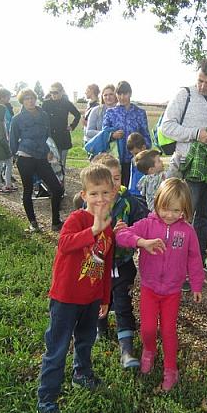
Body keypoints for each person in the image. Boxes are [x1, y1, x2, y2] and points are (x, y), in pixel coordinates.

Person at [36, 164, 115, 413]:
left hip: (90, 298)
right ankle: (47, 398)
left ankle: (81, 373)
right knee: (57, 349)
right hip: (66, 297)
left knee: (85, 340)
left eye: (105, 193)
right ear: (83, 195)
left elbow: (104, 263)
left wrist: (105, 297)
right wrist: (93, 229)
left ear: (113, 193)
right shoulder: (77, 220)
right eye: (94, 194)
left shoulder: (109, 227)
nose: (100, 199)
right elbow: (65, 244)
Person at [115, 178, 204, 391]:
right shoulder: (148, 224)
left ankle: (170, 369)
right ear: (156, 203)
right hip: (149, 288)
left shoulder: (188, 231)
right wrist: (142, 242)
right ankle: (149, 351)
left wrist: (196, 285)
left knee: (168, 331)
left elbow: (194, 259)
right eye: (165, 208)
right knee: (147, 329)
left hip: (172, 291)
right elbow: (122, 236)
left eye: (176, 210)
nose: (170, 215)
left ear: (185, 209)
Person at [160, 58, 207, 268]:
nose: (203, 86)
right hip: (189, 166)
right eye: (200, 80)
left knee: (206, 216)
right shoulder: (185, 95)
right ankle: (179, 261)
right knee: (185, 216)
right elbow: (167, 127)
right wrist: (195, 134)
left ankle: (198, 259)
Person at [91, 153, 148, 368]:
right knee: (97, 299)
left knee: (123, 304)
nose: (114, 183)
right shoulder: (92, 204)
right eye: (108, 178)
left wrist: (133, 234)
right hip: (98, 264)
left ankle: (127, 349)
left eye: (117, 177)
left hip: (122, 264)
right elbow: (85, 234)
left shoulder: (128, 202)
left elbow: (144, 222)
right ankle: (99, 329)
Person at [9, 88, 64, 232]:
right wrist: (16, 157)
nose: (30, 101)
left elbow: (47, 135)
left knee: (57, 189)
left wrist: (48, 151)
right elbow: (13, 141)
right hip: (25, 158)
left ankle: (55, 221)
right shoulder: (17, 119)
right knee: (28, 190)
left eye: (32, 98)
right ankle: (33, 223)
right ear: (22, 101)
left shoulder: (44, 115)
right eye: (26, 98)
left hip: (42, 158)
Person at [102, 81, 151, 187]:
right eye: (119, 94)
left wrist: (143, 150)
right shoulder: (110, 113)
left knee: (135, 189)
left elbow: (146, 135)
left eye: (125, 94)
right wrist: (112, 135)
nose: (122, 97)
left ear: (130, 94)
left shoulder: (139, 112)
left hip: (136, 159)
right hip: (116, 159)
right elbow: (104, 133)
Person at [42, 82, 81, 170]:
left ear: (62, 91)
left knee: (61, 163)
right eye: (51, 92)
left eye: (56, 92)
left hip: (63, 136)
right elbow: (40, 118)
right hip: (50, 137)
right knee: (51, 163)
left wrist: (72, 126)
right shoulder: (46, 104)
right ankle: (52, 183)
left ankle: (61, 183)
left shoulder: (66, 103)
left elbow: (77, 115)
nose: (53, 95)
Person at [126, 132, 147, 201]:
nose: (135, 156)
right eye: (133, 154)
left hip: (143, 193)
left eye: (136, 153)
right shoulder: (133, 160)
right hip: (133, 192)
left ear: (143, 148)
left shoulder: (149, 160)